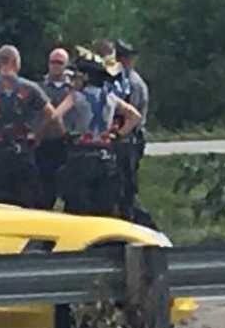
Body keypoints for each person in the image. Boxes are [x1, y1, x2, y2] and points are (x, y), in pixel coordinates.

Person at [0, 45, 63, 207]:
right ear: (15, 61)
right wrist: (38, 136)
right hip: (22, 152)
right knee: (25, 204)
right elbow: (52, 115)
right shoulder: (30, 87)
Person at [58, 49, 141, 216]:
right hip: (105, 154)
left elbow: (55, 115)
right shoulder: (111, 98)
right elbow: (135, 116)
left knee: (77, 207)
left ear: (87, 77)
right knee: (104, 208)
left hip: (82, 154)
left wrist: (65, 134)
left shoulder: (76, 97)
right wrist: (118, 135)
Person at [113, 39, 155, 227]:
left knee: (127, 186)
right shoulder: (117, 81)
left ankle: (139, 223)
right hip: (120, 139)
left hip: (130, 140)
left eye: (124, 57)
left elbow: (133, 115)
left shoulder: (133, 84)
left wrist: (120, 133)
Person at [35, 47, 73, 209]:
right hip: (45, 141)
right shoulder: (39, 87)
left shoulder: (73, 89)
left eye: (60, 62)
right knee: (44, 187)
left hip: (68, 142)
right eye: (53, 62)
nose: (55, 66)